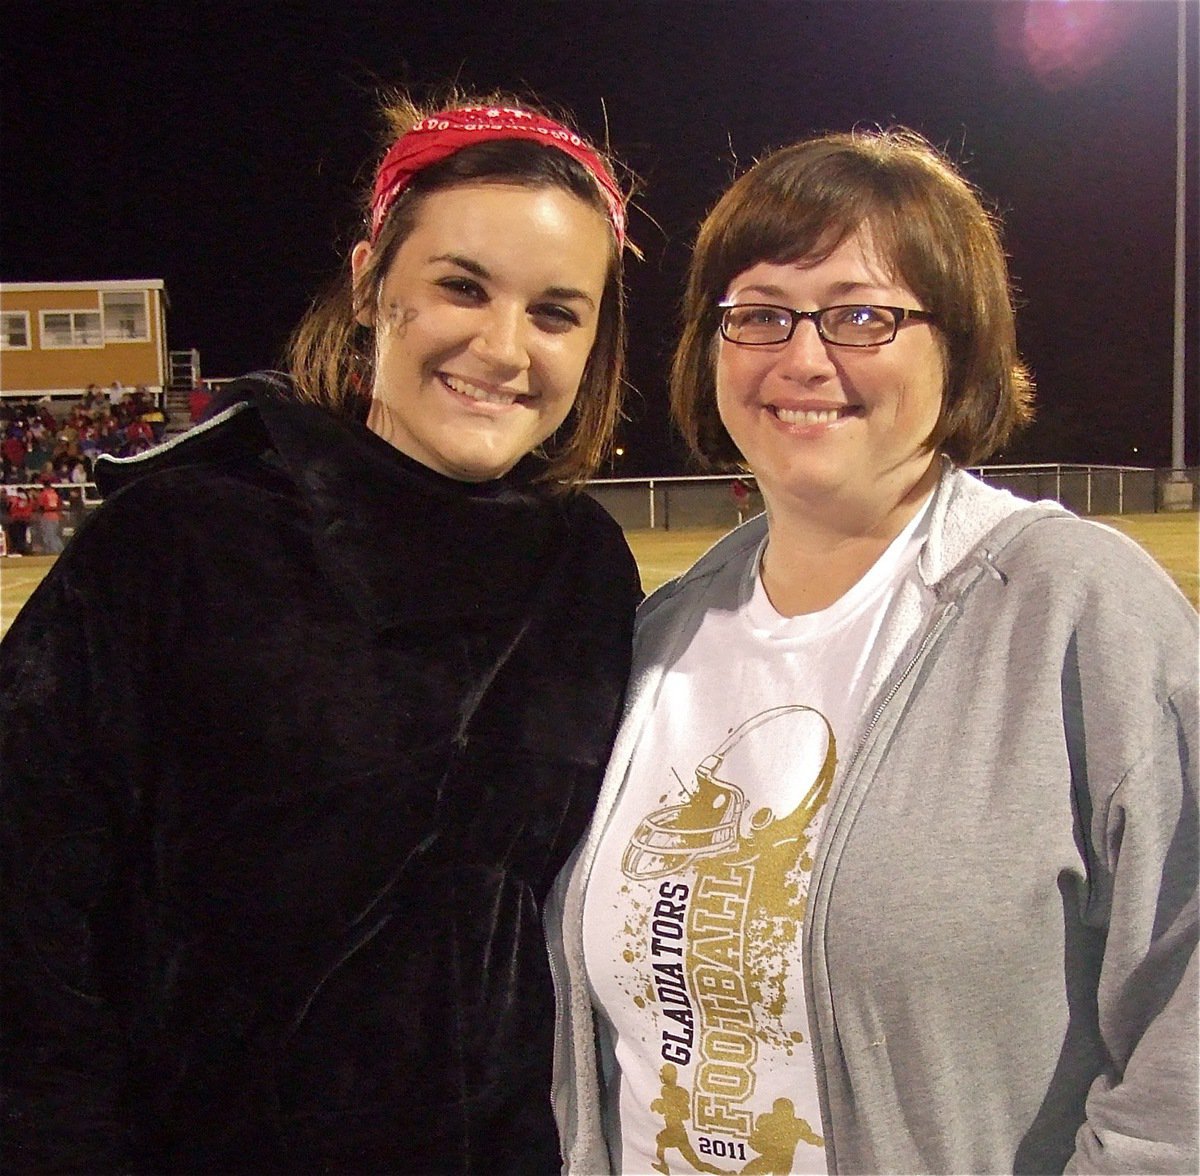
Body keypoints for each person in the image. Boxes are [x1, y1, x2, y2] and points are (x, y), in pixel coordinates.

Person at [1, 92, 641, 1173]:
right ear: (368, 283)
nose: (502, 346)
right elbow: (26, 911)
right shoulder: (181, 540)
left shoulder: (588, 570)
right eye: (461, 287)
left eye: (554, 311)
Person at [548, 128, 1198, 1174]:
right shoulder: (660, 638)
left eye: (863, 315)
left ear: (961, 344)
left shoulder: (1076, 609)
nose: (805, 357)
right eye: (760, 314)